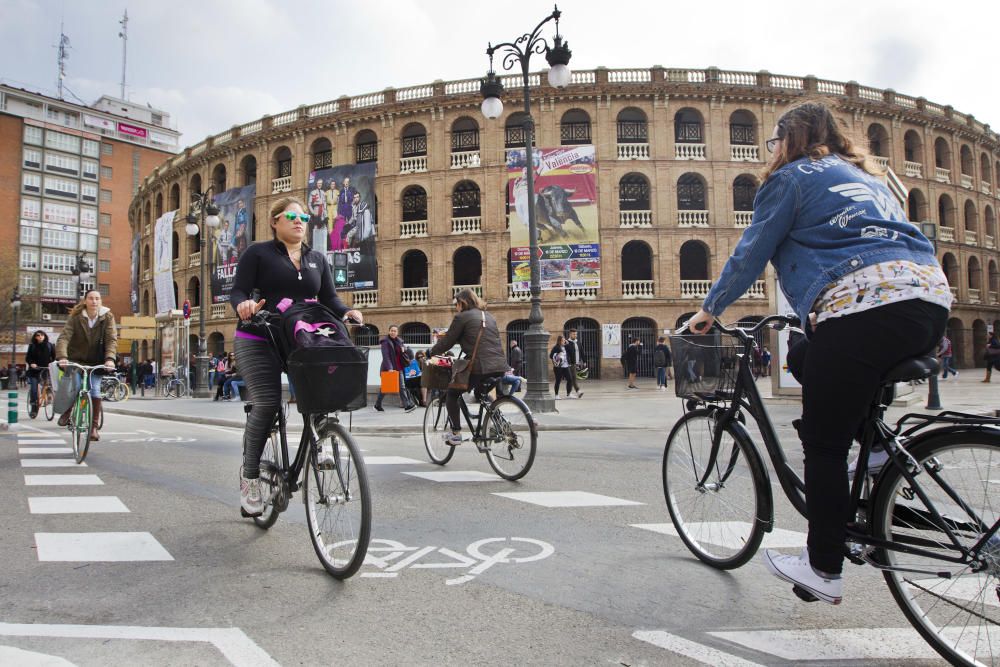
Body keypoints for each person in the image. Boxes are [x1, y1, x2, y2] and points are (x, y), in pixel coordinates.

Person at [686, 101, 950, 605]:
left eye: (774, 142)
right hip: (927, 304)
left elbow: (752, 250)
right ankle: (874, 456)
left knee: (825, 450)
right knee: (807, 356)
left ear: (787, 139)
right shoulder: (864, 174)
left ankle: (822, 567)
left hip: (864, 307)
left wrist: (710, 310)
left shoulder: (789, 179)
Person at [230, 195, 363, 517]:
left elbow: (329, 297)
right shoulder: (257, 253)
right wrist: (243, 305)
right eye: (291, 216)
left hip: (300, 339)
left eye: (303, 218)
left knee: (322, 391)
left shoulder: (317, 258)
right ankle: (250, 479)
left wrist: (347, 313)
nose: (299, 221)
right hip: (259, 336)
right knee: (267, 402)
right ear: (275, 221)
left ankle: (319, 442)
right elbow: (238, 290)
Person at [428, 288, 508, 446]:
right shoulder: (489, 316)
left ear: (461, 302)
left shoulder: (462, 317)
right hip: (500, 365)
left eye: (456, 304)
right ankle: (501, 424)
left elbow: (447, 342)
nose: (456, 307)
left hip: (479, 366)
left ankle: (456, 433)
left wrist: (431, 351)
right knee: (481, 393)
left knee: (452, 394)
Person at [55, 289, 119, 441]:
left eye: (97, 298)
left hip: (96, 362)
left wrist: (110, 359)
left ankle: (94, 428)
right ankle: (68, 411)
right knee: (76, 387)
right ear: (85, 301)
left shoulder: (107, 317)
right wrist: (63, 357)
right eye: (91, 298)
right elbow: (64, 337)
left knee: (95, 391)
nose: (94, 301)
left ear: (100, 301)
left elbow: (111, 339)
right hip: (76, 360)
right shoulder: (76, 317)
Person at [375, 325, 417, 413]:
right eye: (392, 330)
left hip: (399, 367)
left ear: (397, 333)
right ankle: (377, 405)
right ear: (389, 331)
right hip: (389, 368)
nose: (393, 332)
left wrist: (404, 349)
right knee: (386, 387)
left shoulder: (399, 341)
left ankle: (407, 406)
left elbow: (405, 351)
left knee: (401, 386)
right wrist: (390, 368)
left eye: (395, 331)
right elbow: (386, 356)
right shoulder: (385, 342)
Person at [25, 330, 56, 418]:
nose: (40, 337)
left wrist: (52, 364)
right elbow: (28, 357)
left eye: (42, 335)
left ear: (44, 336)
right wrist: (31, 363)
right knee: (34, 389)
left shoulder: (50, 345)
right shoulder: (32, 346)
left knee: (49, 385)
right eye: (38, 335)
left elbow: (54, 357)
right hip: (34, 370)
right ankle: (34, 408)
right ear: (35, 337)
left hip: (46, 369)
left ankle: (49, 398)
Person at [549, 335, 573, 399]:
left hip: (566, 366)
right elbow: (551, 356)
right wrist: (557, 356)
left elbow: (571, 352)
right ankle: (556, 395)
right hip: (558, 367)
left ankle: (569, 394)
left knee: (570, 379)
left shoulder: (565, 347)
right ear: (559, 341)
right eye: (562, 340)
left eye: (564, 340)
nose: (564, 341)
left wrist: (568, 345)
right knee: (558, 380)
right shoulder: (556, 347)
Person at [564, 328, 585, 398]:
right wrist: (569, 362)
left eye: (576, 334)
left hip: (576, 363)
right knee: (572, 378)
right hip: (570, 363)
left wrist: (584, 361)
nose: (575, 335)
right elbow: (566, 353)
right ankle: (577, 392)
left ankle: (570, 393)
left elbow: (582, 352)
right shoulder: (567, 343)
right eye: (573, 334)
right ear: (570, 334)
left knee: (572, 378)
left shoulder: (578, 342)